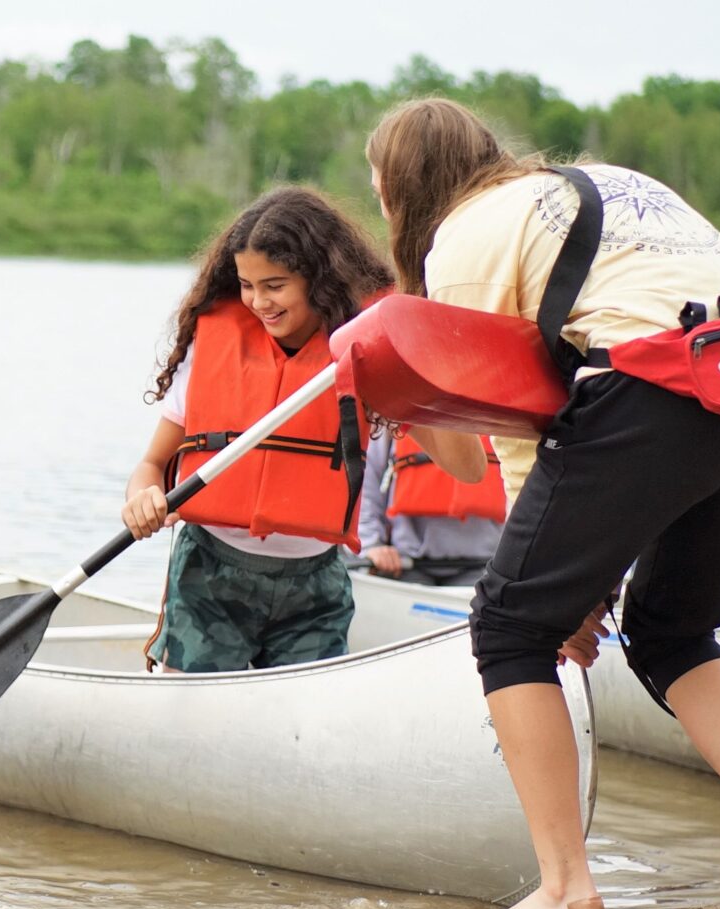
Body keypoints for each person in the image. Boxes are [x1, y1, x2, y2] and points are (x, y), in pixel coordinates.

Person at [366, 96, 720, 909]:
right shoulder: (606, 182)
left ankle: (564, 890)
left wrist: (560, 594)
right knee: (671, 628)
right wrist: (582, 581)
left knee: (509, 625)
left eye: (378, 187)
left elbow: (519, 426)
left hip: (657, 391)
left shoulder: (463, 235)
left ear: (400, 190)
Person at [122, 186, 485, 672]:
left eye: (275, 285)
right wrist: (142, 497)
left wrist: (412, 371)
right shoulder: (215, 343)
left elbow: (469, 468)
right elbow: (152, 465)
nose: (257, 302)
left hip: (314, 582)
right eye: (247, 284)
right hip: (210, 574)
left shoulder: (364, 351)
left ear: (320, 280)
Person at [358, 431, 504, 586]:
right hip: (403, 563)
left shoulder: (501, 416)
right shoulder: (397, 411)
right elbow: (367, 479)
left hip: (482, 566)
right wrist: (372, 545)